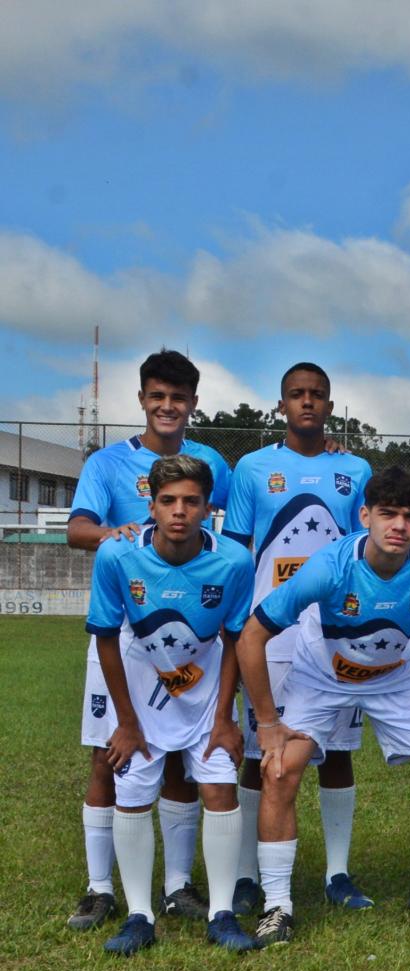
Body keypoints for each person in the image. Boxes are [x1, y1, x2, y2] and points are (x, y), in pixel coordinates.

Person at [238, 467, 410, 944]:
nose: (399, 526)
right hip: (321, 673)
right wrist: (267, 724)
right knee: (280, 769)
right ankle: (277, 906)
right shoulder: (329, 566)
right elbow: (251, 637)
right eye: (387, 514)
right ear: (365, 515)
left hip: (394, 674)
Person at [65, 349, 232, 930]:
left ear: (192, 403)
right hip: (126, 633)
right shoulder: (108, 463)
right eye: (157, 396)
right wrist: (120, 535)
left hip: (192, 641)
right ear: (141, 399)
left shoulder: (211, 460)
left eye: (178, 397)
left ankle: (179, 885)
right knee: (108, 752)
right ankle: (99, 886)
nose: (167, 406)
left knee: (184, 762)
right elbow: (76, 529)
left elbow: (228, 534)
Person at [87, 455, 256, 955]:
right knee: (133, 791)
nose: (179, 511)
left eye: (191, 501)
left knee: (220, 787)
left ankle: (222, 913)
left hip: (206, 694)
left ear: (208, 508)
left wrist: (225, 718)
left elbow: (234, 639)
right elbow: (106, 640)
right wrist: (127, 722)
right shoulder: (117, 556)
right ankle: (139, 915)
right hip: (140, 688)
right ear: (151, 506)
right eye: (168, 501)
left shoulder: (233, 561)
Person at [223, 362, 372, 917]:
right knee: (261, 751)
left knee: (336, 751)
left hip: (333, 634)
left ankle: (338, 872)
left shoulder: (353, 468)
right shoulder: (253, 469)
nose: (307, 402)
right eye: (296, 395)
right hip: (271, 634)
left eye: (317, 395)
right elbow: (236, 554)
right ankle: (244, 874)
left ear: (331, 405)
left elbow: (367, 550)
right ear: (280, 404)